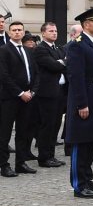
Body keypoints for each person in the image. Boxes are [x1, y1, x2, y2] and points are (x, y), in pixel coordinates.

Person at [64, 7, 93, 198]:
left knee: (91, 141)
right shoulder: (78, 45)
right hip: (84, 99)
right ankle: (79, 184)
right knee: (81, 142)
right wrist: (81, 104)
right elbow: (76, 77)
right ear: (86, 24)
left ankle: (87, 179)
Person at [1, 20, 40, 176]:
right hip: (9, 98)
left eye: (19, 30)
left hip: (28, 97)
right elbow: (4, 76)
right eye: (14, 30)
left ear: (23, 32)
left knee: (23, 131)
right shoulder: (4, 50)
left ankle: (21, 163)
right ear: (9, 33)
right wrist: (20, 93)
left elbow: (36, 74)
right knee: (5, 133)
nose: (17, 32)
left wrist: (32, 92)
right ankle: (4, 165)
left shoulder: (28, 51)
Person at [31, 22, 66, 169]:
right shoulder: (40, 49)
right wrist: (62, 62)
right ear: (43, 33)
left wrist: (61, 62)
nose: (54, 33)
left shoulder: (56, 48)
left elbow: (62, 64)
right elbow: (54, 66)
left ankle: (51, 155)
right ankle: (44, 157)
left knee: (55, 125)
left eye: (55, 31)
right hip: (46, 93)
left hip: (58, 91)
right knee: (47, 125)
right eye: (51, 31)